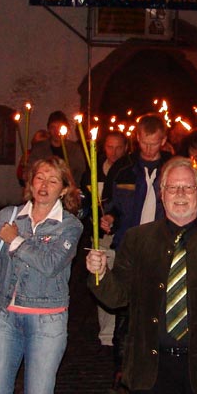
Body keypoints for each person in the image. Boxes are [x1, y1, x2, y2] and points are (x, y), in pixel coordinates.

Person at [86, 156, 197, 394]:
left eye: (188, 187)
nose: (180, 194)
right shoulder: (137, 239)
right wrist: (100, 273)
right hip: (150, 368)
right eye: (173, 187)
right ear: (162, 193)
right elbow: (117, 297)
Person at [0, 156, 83, 394]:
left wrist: (16, 240)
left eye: (52, 181)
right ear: (30, 183)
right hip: (5, 317)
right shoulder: (8, 216)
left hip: (47, 320)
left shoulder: (69, 225)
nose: (44, 186)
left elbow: (50, 264)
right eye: (40, 178)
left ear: (64, 189)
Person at [100, 113, 172, 390]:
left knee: (161, 307)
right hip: (129, 246)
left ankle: (159, 362)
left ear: (163, 141)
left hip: (163, 247)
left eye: (155, 144)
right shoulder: (123, 168)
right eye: (145, 143)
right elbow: (112, 203)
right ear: (137, 138)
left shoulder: (172, 168)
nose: (149, 149)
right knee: (126, 309)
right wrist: (108, 218)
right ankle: (123, 366)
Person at [80, 131, 129, 350]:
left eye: (119, 147)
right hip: (100, 234)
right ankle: (107, 331)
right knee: (102, 275)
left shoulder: (129, 171)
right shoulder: (93, 169)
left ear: (126, 147)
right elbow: (83, 198)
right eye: (110, 147)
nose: (114, 152)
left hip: (121, 234)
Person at [28, 110, 87, 187]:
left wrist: (72, 186)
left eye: (59, 127)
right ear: (48, 129)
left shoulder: (74, 149)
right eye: (53, 127)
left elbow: (81, 172)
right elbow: (31, 170)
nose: (56, 131)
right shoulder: (39, 149)